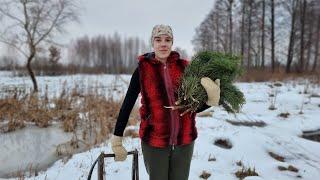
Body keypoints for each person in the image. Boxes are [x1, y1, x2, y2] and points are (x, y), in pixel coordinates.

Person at [111, 24, 220, 180]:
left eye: (167, 39)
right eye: (158, 39)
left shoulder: (185, 68)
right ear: (153, 43)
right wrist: (117, 138)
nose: (163, 43)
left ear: (172, 42)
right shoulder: (142, 69)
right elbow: (128, 104)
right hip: (155, 142)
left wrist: (210, 100)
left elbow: (192, 107)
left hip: (184, 142)